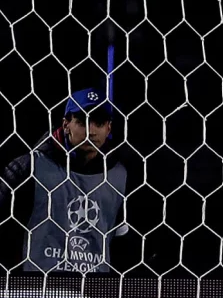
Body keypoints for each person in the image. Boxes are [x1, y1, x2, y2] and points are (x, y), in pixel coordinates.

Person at [0, 87, 131, 274]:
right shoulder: (27, 169)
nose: (90, 131)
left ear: (108, 128)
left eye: (99, 122)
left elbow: (124, 246)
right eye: (82, 121)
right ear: (66, 124)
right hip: (34, 285)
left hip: (95, 288)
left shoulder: (120, 177)